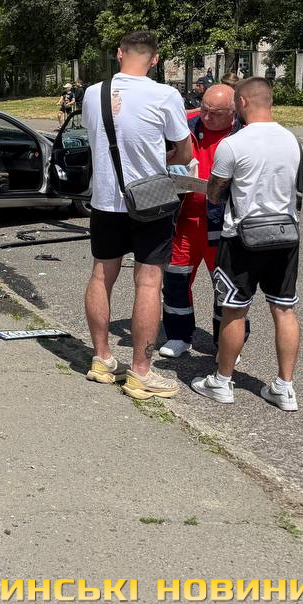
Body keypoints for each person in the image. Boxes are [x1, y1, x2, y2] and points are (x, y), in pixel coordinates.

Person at [80, 31, 192, 399]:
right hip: (149, 202)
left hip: (105, 200)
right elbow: (185, 152)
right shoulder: (165, 95)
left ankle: (101, 359)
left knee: (101, 275)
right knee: (148, 283)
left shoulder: (93, 93)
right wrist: (162, 158)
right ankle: (141, 372)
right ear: (155, 59)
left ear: (119, 53)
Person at [192, 78, 303, 411]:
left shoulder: (233, 145)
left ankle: (222, 381)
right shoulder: (292, 141)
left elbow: (214, 193)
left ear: (241, 103)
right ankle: (284, 387)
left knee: (234, 310)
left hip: (242, 237)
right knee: (284, 309)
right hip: (285, 235)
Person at [159, 84, 249, 358]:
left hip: (223, 224)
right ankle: (178, 335)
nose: (206, 117)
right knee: (175, 280)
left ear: (233, 111)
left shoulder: (244, 133)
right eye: (204, 109)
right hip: (185, 219)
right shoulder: (186, 123)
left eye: (215, 113)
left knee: (226, 286)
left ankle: (227, 343)